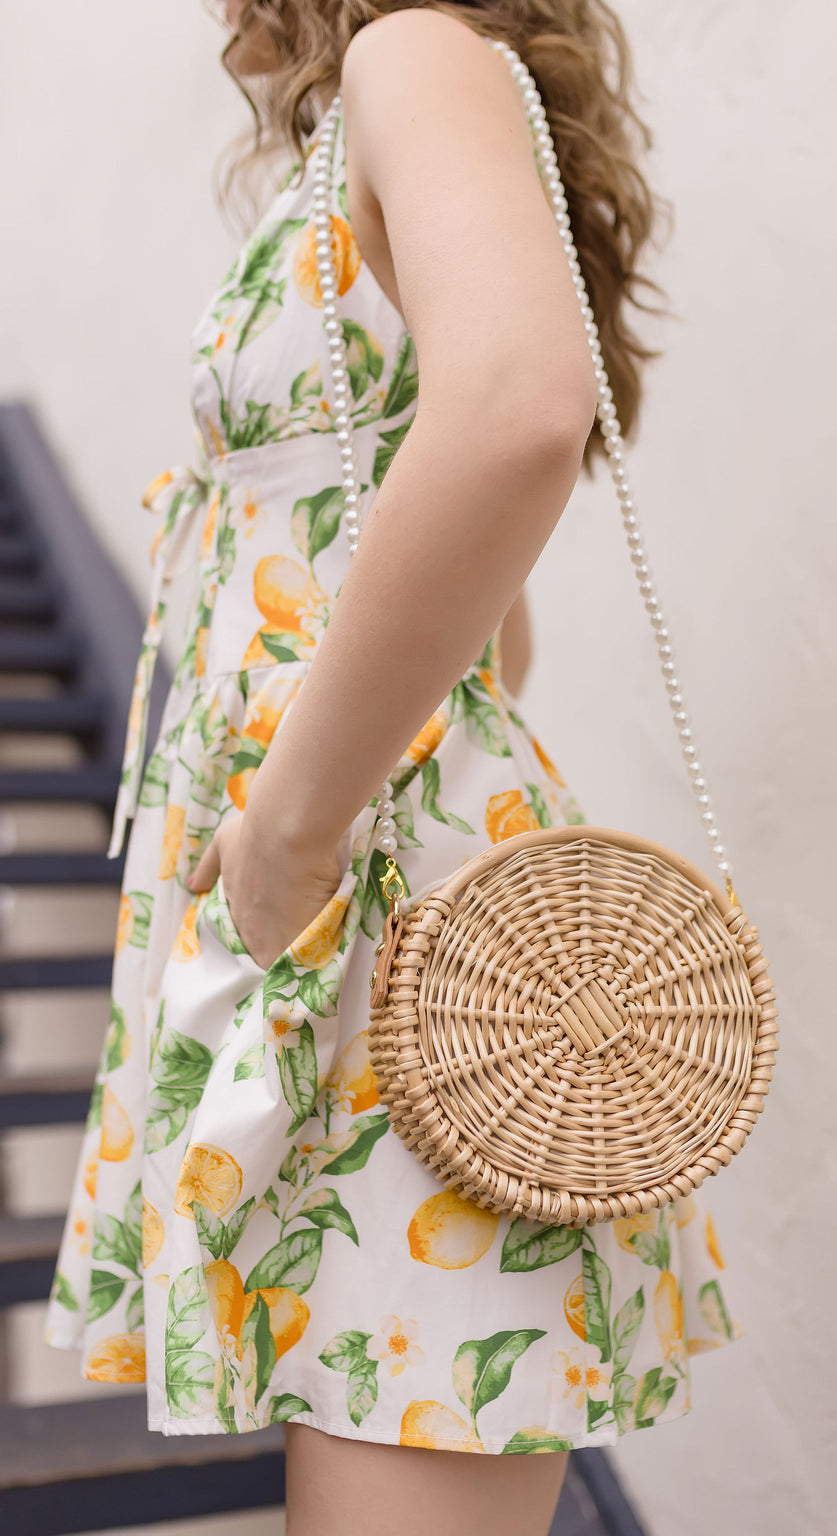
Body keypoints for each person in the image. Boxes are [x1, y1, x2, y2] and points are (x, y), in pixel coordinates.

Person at [44, 4, 742, 1531]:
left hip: (359, 926)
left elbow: (521, 404)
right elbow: (497, 637)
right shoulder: (380, 118)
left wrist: (289, 832)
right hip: (341, 909)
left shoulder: (409, 51)